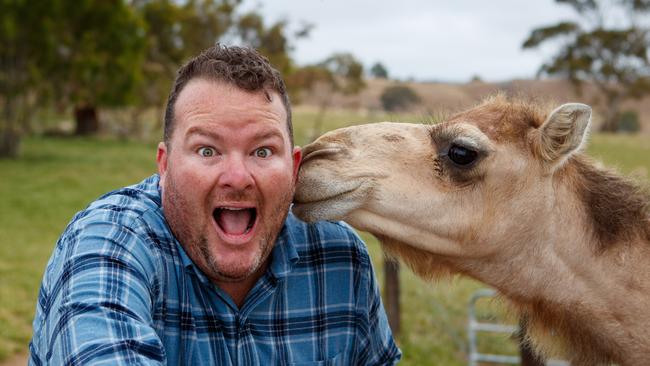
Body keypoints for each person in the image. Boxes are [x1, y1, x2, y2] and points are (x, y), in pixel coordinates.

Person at [29, 44, 401, 365]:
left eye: (262, 150)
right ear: (164, 165)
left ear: (293, 167)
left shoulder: (340, 260)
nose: (237, 177)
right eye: (207, 150)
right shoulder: (107, 246)